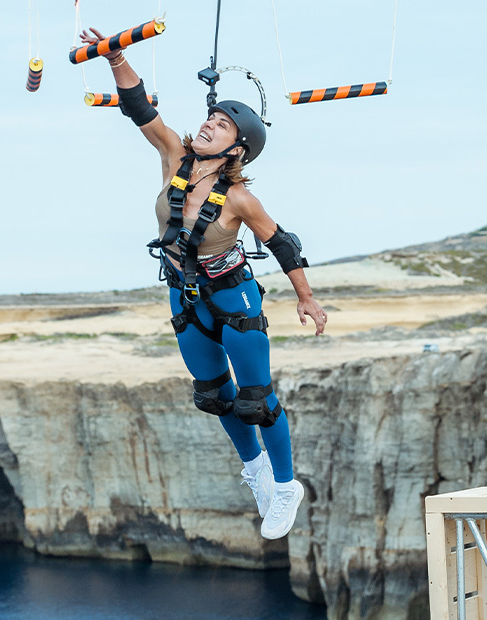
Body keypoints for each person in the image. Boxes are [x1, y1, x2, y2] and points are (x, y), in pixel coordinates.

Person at [81, 27, 327, 540]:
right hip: (183, 293)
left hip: (233, 294)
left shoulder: (240, 199)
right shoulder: (174, 157)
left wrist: (306, 297)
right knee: (214, 396)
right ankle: (256, 470)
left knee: (255, 399)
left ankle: (285, 485)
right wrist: (116, 59)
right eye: (209, 119)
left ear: (238, 147)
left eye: (220, 125)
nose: (208, 125)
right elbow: (140, 110)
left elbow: (283, 243)